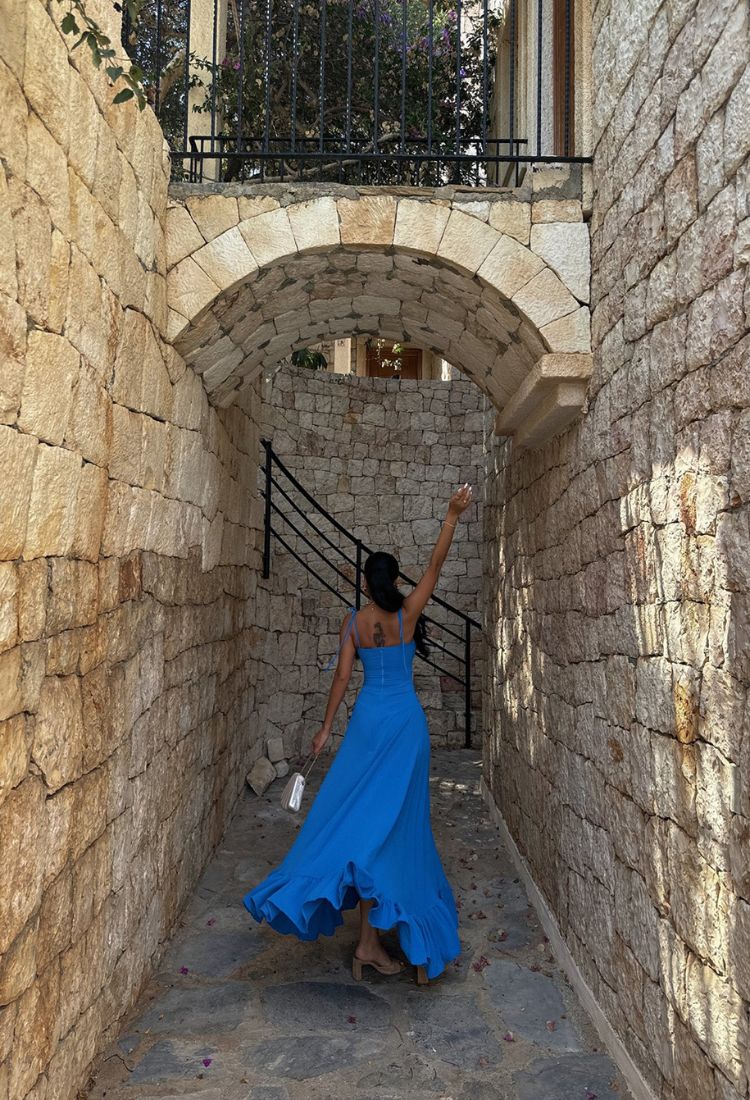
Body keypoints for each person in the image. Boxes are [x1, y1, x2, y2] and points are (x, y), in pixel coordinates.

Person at [243, 483, 474, 983]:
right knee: (400, 829)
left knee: (361, 824)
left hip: (368, 726)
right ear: (394, 581)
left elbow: (343, 679)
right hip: (405, 727)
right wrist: (451, 517)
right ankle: (395, 941)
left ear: (367, 584)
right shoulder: (407, 615)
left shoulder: (354, 622)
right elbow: (435, 569)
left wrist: (326, 729)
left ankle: (371, 942)